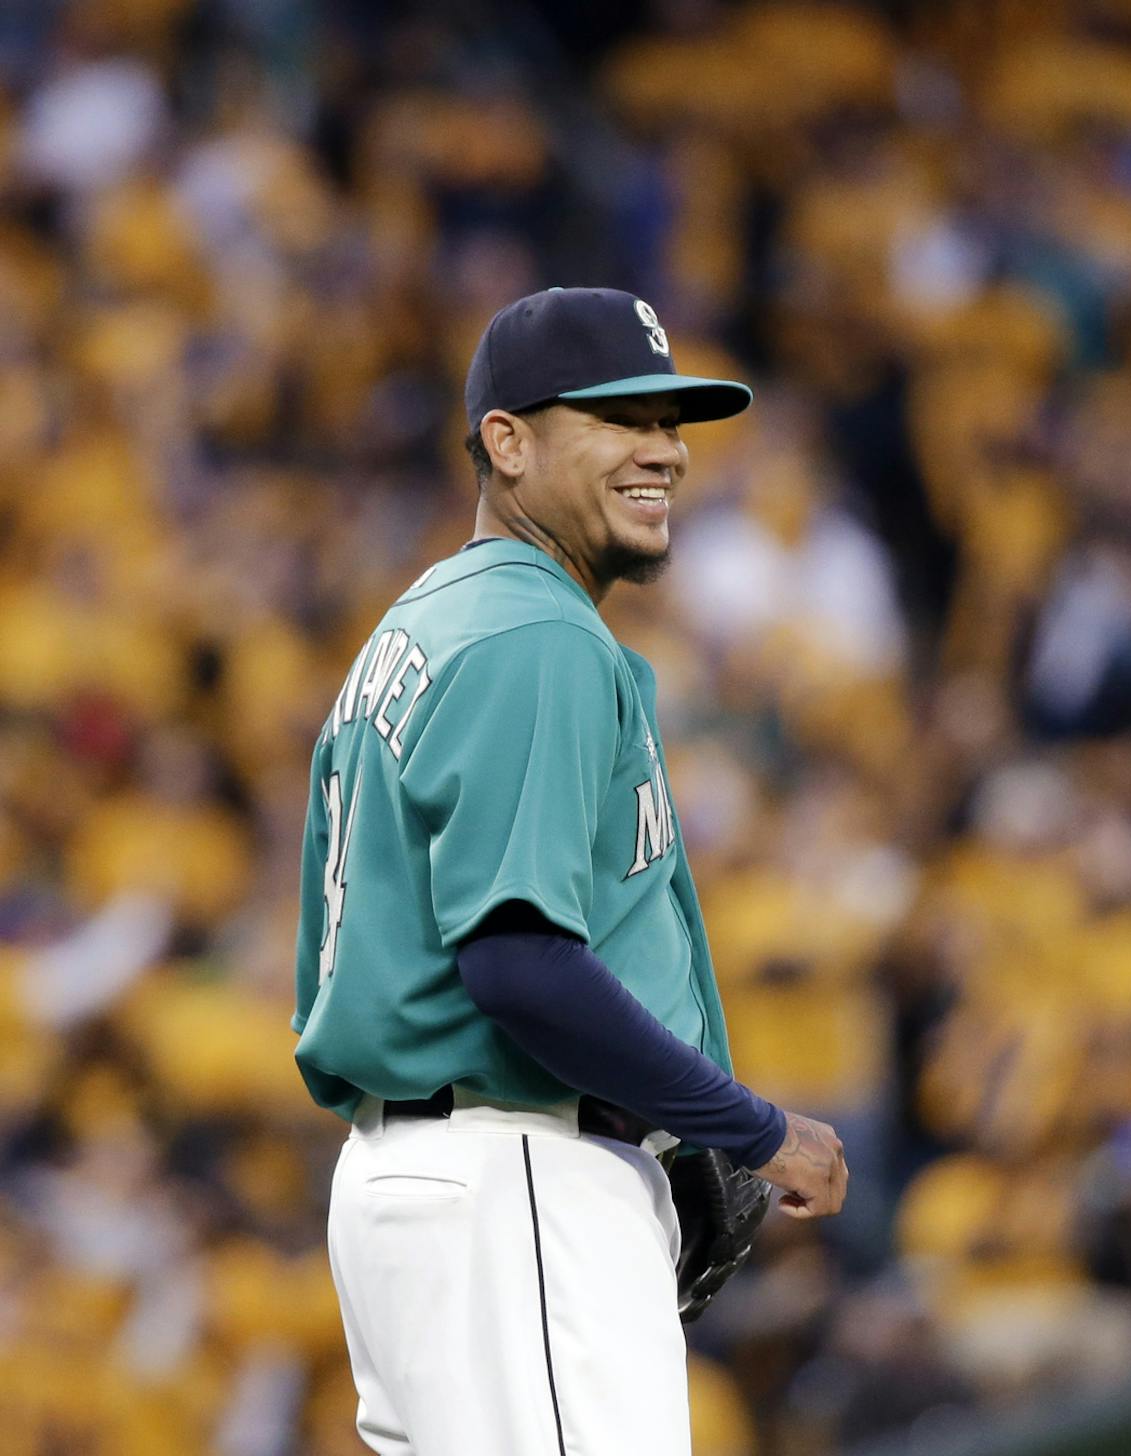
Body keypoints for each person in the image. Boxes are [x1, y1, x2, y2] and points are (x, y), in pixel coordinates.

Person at [291, 286, 848, 1456]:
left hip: (427, 1184)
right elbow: (520, 964)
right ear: (508, 440)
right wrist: (751, 1130)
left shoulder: (427, 624)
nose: (663, 451)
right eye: (617, 418)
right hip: (519, 1178)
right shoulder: (533, 634)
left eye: (671, 423)